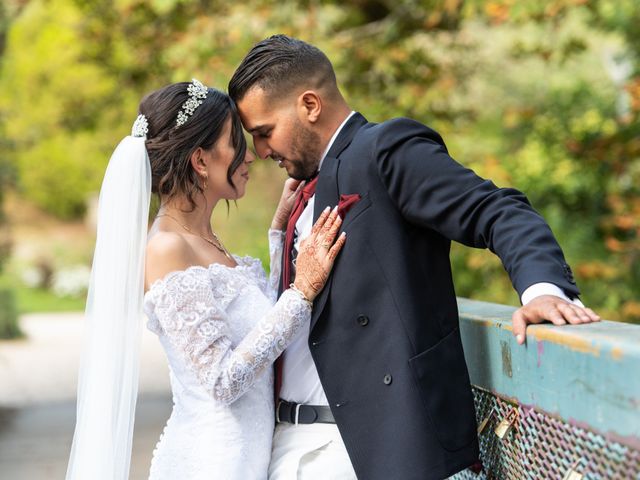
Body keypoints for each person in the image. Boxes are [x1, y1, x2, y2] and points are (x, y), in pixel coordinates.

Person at [228, 35, 601, 480]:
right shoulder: (302, 195)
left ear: (310, 105)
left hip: (375, 449)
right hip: (287, 448)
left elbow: (495, 210)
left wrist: (541, 289)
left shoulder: (385, 150)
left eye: (264, 133)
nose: (263, 151)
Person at [65, 79, 345, 480]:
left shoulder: (206, 242)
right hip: (212, 463)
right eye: (236, 143)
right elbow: (222, 380)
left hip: (246, 460)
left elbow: (257, 327)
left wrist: (278, 236)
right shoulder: (167, 248)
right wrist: (302, 291)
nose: (251, 157)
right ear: (200, 160)